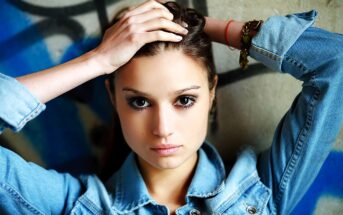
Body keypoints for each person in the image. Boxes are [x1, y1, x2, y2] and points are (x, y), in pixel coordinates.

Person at [0, 0, 342, 214]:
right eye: (139, 101)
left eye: (184, 100)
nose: (162, 127)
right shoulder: (76, 206)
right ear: (113, 98)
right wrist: (97, 61)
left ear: (212, 93)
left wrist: (200, 24)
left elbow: (335, 63)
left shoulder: (262, 191)